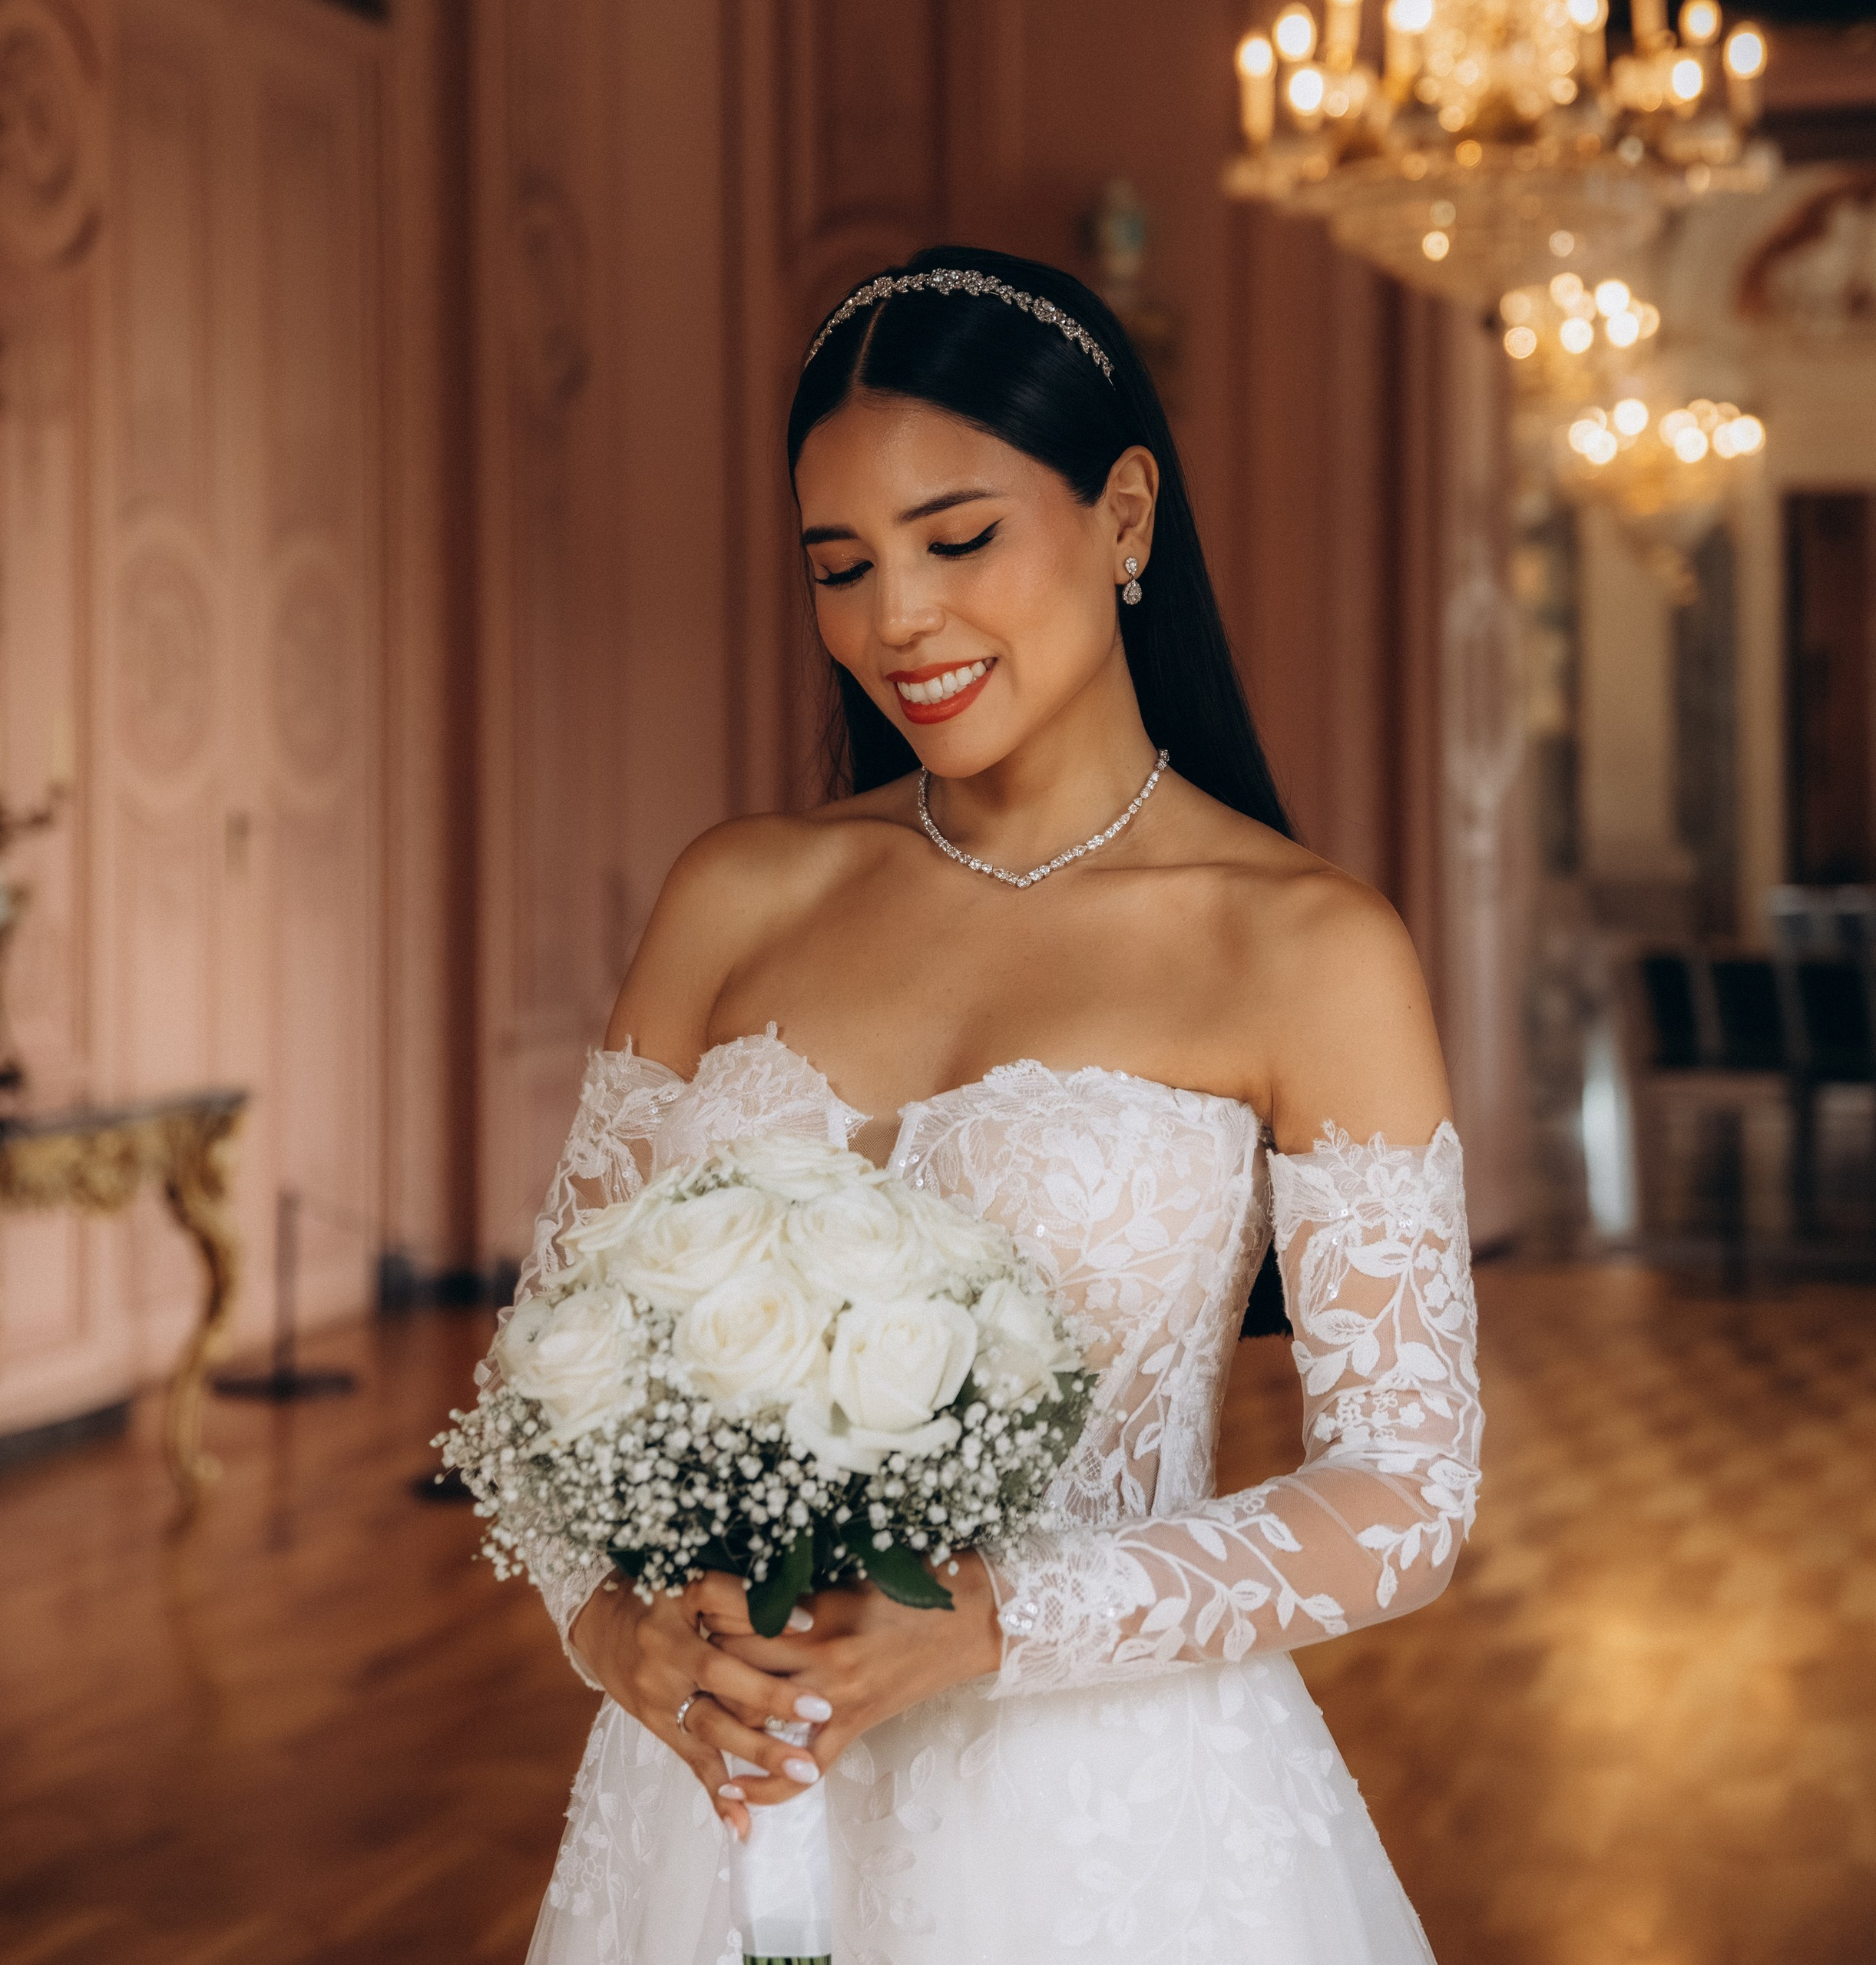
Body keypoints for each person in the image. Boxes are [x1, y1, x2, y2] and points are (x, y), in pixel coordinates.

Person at [514, 246, 1481, 1963]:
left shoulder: (1304, 949)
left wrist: (991, 1618)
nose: (897, 619)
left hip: (1112, 1824)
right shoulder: (735, 893)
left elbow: (1405, 1488)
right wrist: (616, 1631)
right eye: (840, 564)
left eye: (957, 539)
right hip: (718, 1794)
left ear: (1123, 518)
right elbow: (547, 1383)